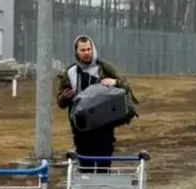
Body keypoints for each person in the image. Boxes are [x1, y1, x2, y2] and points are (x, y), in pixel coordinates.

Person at [56, 35, 138, 172]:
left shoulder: (104, 68)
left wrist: (115, 82)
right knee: (85, 168)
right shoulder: (70, 73)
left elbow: (126, 85)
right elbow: (60, 103)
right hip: (81, 130)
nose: (87, 53)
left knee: (103, 168)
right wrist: (65, 97)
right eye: (83, 50)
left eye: (89, 49)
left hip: (103, 128)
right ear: (76, 52)